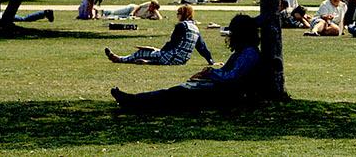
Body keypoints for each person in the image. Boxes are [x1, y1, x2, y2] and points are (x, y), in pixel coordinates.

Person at [111, 14, 263, 110]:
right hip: (221, 91)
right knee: (174, 93)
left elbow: (232, 77)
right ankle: (133, 100)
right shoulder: (244, 52)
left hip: (225, 95)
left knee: (174, 95)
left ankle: (133, 101)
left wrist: (209, 73)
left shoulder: (248, 53)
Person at [105, 5, 214, 66]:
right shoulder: (195, 28)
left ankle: (120, 59)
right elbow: (201, 47)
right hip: (183, 59)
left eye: (178, 14)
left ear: (183, 15)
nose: (177, 16)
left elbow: (172, 43)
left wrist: (159, 51)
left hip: (173, 56)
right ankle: (149, 62)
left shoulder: (181, 26)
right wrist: (210, 61)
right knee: (149, 53)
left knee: (143, 52)